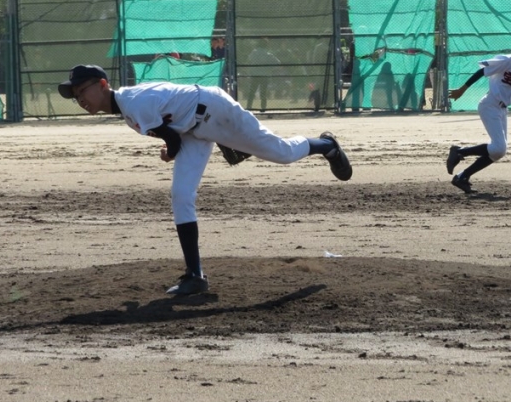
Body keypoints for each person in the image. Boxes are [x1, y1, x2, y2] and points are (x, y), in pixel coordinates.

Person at [58, 65, 353, 295]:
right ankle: (195, 276)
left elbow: (172, 140)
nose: (80, 99)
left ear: (103, 84)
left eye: (82, 90)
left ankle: (326, 145)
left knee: (282, 153)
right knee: (181, 195)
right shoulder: (127, 107)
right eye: (75, 95)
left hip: (214, 110)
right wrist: (172, 146)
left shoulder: (133, 103)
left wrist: (170, 153)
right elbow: (173, 131)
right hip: (193, 128)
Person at [445, 27, 511, 193]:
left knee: (498, 152)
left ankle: (462, 177)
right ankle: (459, 152)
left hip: (503, 109)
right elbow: (482, 71)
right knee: (498, 148)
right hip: (490, 104)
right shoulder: (507, 60)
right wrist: (462, 89)